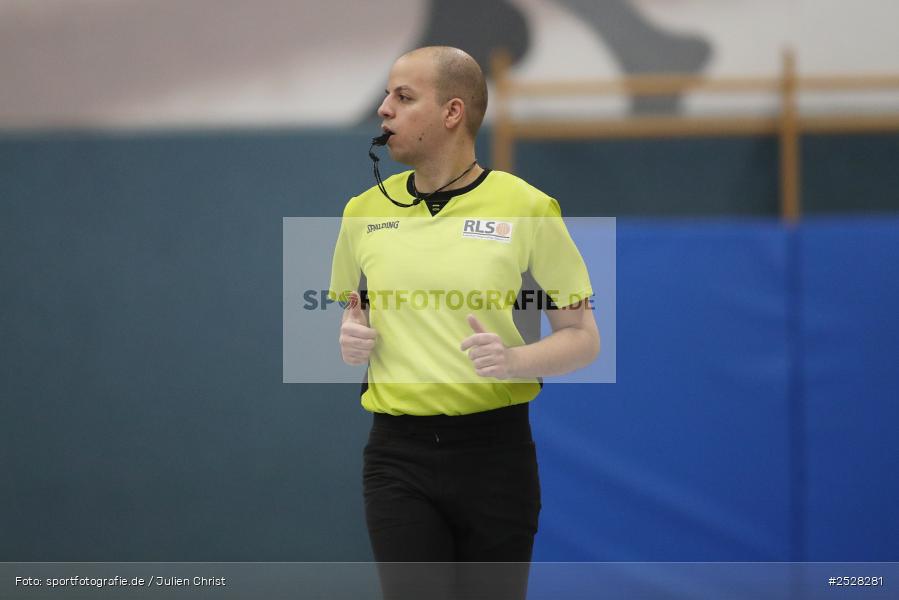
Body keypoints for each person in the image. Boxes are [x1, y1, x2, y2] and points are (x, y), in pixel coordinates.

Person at [330, 46, 599, 600]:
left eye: (404, 97)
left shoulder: (527, 207)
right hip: (396, 454)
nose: (384, 109)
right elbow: (352, 318)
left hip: (495, 455)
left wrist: (515, 359)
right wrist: (349, 337)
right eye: (387, 95)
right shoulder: (362, 212)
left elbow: (584, 339)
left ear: (453, 112)